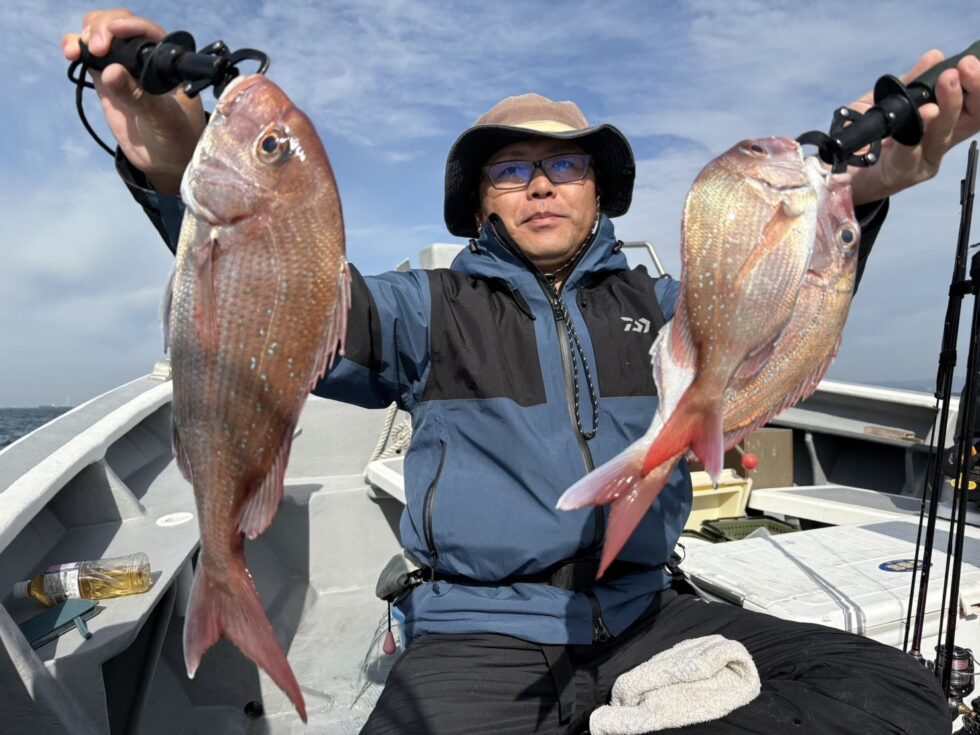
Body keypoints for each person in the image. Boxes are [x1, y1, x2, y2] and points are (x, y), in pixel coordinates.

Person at [64, 9, 979, 734]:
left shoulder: (664, 306)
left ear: (595, 186)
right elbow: (284, 291)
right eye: (513, 170)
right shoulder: (430, 307)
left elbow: (769, 307)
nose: (541, 184)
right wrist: (175, 155)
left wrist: (857, 189)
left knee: (892, 692)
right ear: (482, 201)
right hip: (478, 634)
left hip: (648, 610)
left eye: (563, 165)